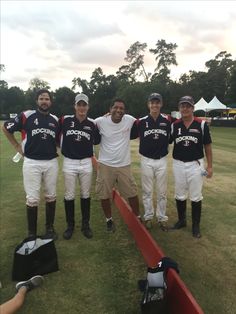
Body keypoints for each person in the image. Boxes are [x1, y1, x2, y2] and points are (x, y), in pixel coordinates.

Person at [2, 89, 59, 240]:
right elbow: (6, 128)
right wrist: (16, 146)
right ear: (37, 101)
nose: (44, 101)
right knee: (32, 199)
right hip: (31, 162)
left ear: (51, 102)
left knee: (51, 196)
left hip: (51, 162)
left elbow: (60, 139)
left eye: (47, 99)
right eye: (41, 98)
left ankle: (50, 229)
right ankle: (32, 233)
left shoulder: (54, 119)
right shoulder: (26, 116)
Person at [95, 98, 141, 232]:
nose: (119, 110)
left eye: (122, 108)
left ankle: (137, 217)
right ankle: (109, 220)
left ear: (125, 111)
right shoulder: (99, 121)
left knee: (132, 193)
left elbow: (142, 123)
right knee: (104, 194)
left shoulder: (130, 120)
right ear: (110, 109)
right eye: (116, 107)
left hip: (124, 165)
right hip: (105, 165)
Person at [170, 96, 213, 238]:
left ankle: (196, 226)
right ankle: (182, 220)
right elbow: (166, 139)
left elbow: (207, 146)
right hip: (178, 164)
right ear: (179, 108)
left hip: (196, 164)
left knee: (195, 196)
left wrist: (210, 166)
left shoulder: (201, 125)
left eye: (188, 106)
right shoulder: (175, 125)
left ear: (192, 108)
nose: (185, 108)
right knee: (180, 194)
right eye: (182, 106)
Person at [59, 93, 100, 240]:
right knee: (69, 195)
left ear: (88, 107)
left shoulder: (92, 123)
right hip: (69, 161)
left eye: (84, 105)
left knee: (85, 194)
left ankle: (85, 225)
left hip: (85, 162)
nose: (82, 107)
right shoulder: (64, 120)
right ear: (75, 106)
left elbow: (97, 140)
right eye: (79, 105)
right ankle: (70, 226)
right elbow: (56, 136)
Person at [136, 93, 171, 231]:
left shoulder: (168, 120)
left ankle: (162, 218)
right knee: (147, 191)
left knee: (162, 192)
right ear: (148, 104)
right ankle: (149, 216)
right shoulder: (141, 121)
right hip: (146, 160)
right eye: (152, 102)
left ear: (161, 104)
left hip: (162, 159)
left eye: (157, 102)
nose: (155, 105)